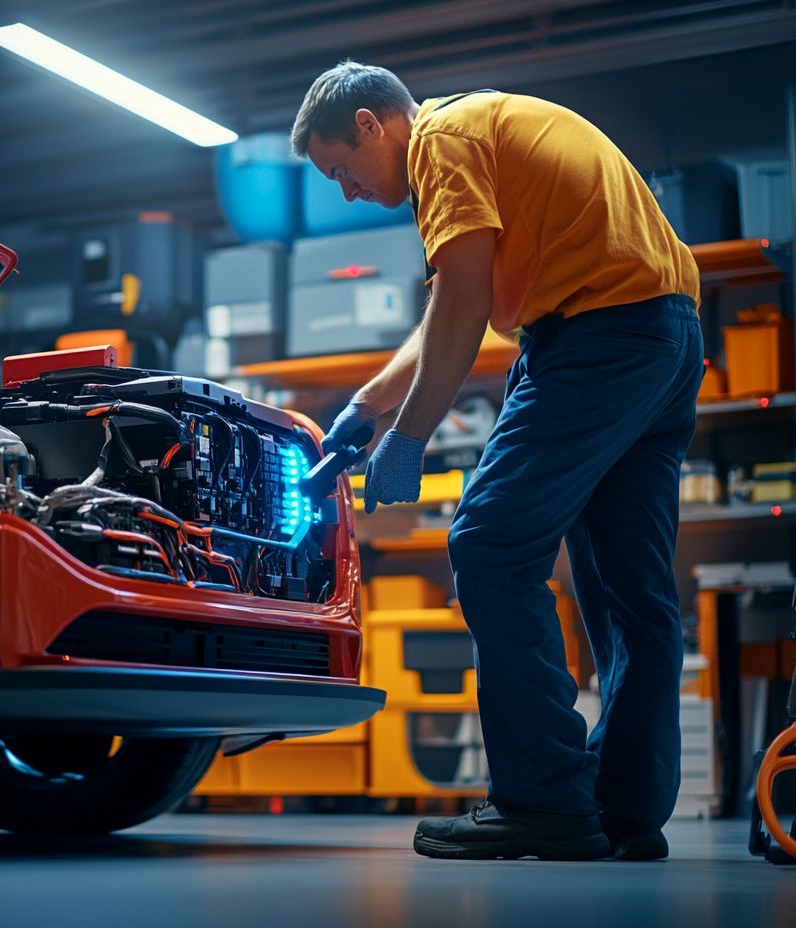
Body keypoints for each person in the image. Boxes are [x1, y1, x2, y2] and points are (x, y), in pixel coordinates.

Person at [292, 61, 703, 861]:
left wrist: (410, 436)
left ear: (375, 124)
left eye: (342, 168)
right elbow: (454, 297)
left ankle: (543, 799)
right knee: (630, 593)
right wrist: (371, 407)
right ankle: (626, 813)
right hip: (662, 335)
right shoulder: (479, 128)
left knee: (487, 544)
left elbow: (465, 305)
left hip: (596, 337)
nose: (345, 190)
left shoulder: (440, 142)